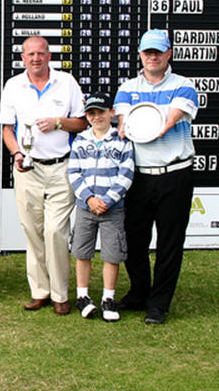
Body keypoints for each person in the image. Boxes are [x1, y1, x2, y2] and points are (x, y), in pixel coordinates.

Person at [114, 29, 198, 325]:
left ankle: (159, 304)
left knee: (170, 242)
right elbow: (124, 123)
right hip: (139, 176)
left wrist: (146, 118)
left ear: (168, 54)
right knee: (134, 239)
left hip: (175, 173)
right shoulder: (126, 88)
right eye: (148, 52)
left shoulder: (184, 86)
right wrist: (132, 121)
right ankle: (139, 293)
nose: (152, 57)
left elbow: (165, 122)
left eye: (158, 52)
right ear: (140, 54)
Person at [0, 36, 87, 315]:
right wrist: (16, 154)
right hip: (28, 168)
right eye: (30, 54)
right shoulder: (13, 86)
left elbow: (83, 122)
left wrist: (58, 122)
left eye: (41, 53)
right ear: (22, 58)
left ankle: (61, 294)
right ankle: (40, 291)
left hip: (62, 166)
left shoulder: (67, 82)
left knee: (55, 231)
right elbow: (7, 129)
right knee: (32, 231)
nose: (35, 58)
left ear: (49, 56)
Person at [67, 92, 134, 322]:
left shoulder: (123, 140)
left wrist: (108, 199)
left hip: (112, 209)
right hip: (86, 208)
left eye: (101, 112)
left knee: (111, 254)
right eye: (92, 113)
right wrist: (89, 199)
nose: (97, 117)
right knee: (81, 252)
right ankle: (82, 296)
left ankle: (108, 298)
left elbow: (126, 174)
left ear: (111, 113)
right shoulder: (80, 140)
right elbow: (73, 172)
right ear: (87, 116)